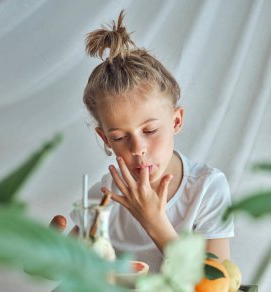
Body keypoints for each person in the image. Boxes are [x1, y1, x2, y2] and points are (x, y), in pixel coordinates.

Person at [72, 10, 234, 272]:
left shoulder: (207, 189)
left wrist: (154, 222)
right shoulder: (103, 199)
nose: (138, 149)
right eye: (119, 137)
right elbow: (63, 266)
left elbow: (215, 285)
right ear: (105, 139)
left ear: (176, 121)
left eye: (149, 131)